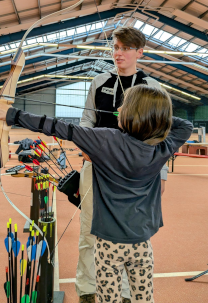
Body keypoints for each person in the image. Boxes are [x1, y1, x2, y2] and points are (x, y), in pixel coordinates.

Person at [0, 84, 193, 303]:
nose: (120, 107)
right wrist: (155, 117)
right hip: (141, 243)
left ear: (133, 113)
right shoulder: (160, 148)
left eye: (125, 105)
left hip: (108, 244)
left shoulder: (105, 140)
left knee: (109, 298)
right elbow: (186, 126)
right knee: (144, 298)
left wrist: (12, 115)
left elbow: (58, 127)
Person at [77, 26, 168, 303]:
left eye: (126, 48)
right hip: (96, 169)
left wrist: (161, 174)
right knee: (89, 231)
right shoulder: (98, 82)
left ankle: (127, 293)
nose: (119, 53)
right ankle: (88, 289)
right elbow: (85, 123)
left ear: (140, 52)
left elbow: (161, 135)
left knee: (131, 236)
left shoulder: (153, 89)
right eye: (116, 47)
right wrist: (88, 149)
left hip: (136, 176)